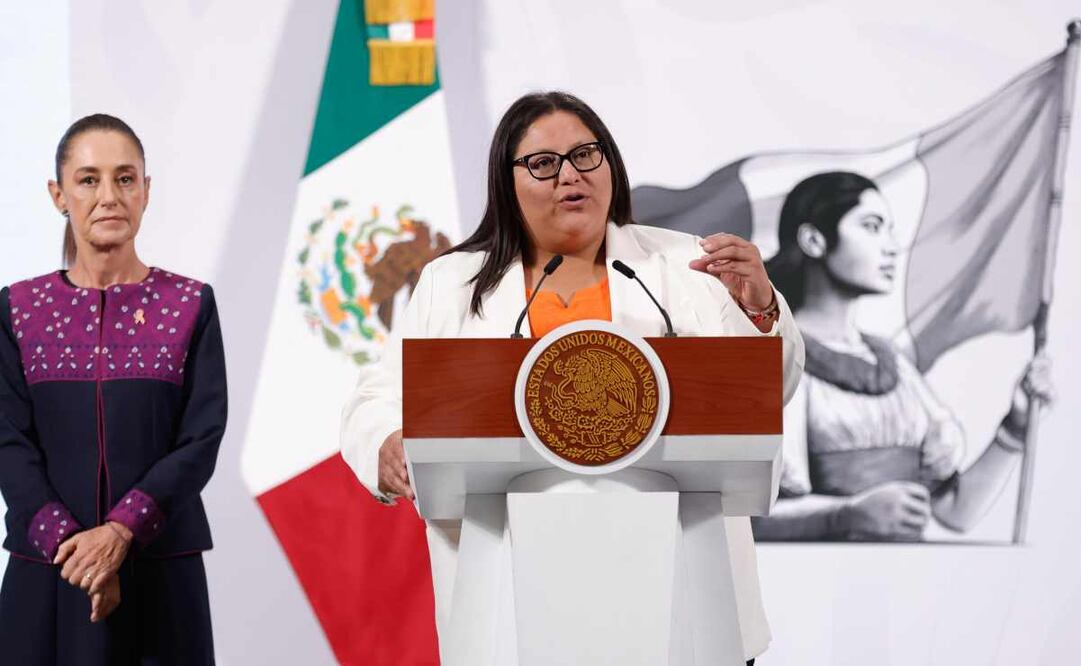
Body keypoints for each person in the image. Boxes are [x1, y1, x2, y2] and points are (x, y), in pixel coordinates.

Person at [340, 91, 804, 664]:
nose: (569, 175)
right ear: (506, 183)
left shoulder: (686, 265)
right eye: (542, 163)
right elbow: (379, 398)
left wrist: (762, 312)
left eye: (586, 154)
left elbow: (764, 394)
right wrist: (385, 442)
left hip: (678, 583)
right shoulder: (453, 283)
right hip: (511, 587)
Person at [0, 114, 226, 664]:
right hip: (48, 575)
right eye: (88, 179)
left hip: (162, 572)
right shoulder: (17, 310)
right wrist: (74, 551)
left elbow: (200, 440)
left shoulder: (189, 305)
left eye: (125, 179)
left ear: (146, 192)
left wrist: (121, 533)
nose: (109, 196)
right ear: (59, 195)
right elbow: (8, 443)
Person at [752, 171, 1052, 541]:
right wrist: (846, 515)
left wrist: (1015, 426)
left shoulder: (891, 363)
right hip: (817, 583)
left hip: (904, 585)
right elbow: (745, 517)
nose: (892, 246)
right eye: (872, 226)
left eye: (889, 229)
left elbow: (955, 512)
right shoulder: (771, 357)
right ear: (814, 240)